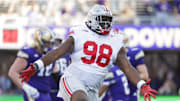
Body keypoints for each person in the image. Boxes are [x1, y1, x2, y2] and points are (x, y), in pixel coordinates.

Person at [20, 4, 157, 101]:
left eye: (107, 21)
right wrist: (36, 66)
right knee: (79, 98)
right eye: (101, 20)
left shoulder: (115, 40)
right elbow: (58, 52)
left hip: (93, 87)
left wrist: (141, 85)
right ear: (92, 19)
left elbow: (127, 67)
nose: (105, 24)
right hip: (72, 79)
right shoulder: (79, 33)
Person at [8, 28, 57, 101]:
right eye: (46, 42)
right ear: (39, 41)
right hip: (33, 91)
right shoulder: (29, 52)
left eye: (50, 42)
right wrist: (25, 87)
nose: (49, 45)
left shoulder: (51, 52)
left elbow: (55, 71)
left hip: (46, 91)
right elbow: (12, 72)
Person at [99, 33, 149, 101]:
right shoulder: (109, 55)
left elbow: (145, 75)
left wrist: (122, 78)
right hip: (113, 93)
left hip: (132, 93)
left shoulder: (133, 54)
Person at [49, 33, 71, 101]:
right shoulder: (67, 53)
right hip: (55, 85)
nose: (56, 44)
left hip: (61, 85)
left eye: (58, 42)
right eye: (55, 42)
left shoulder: (49, 53)